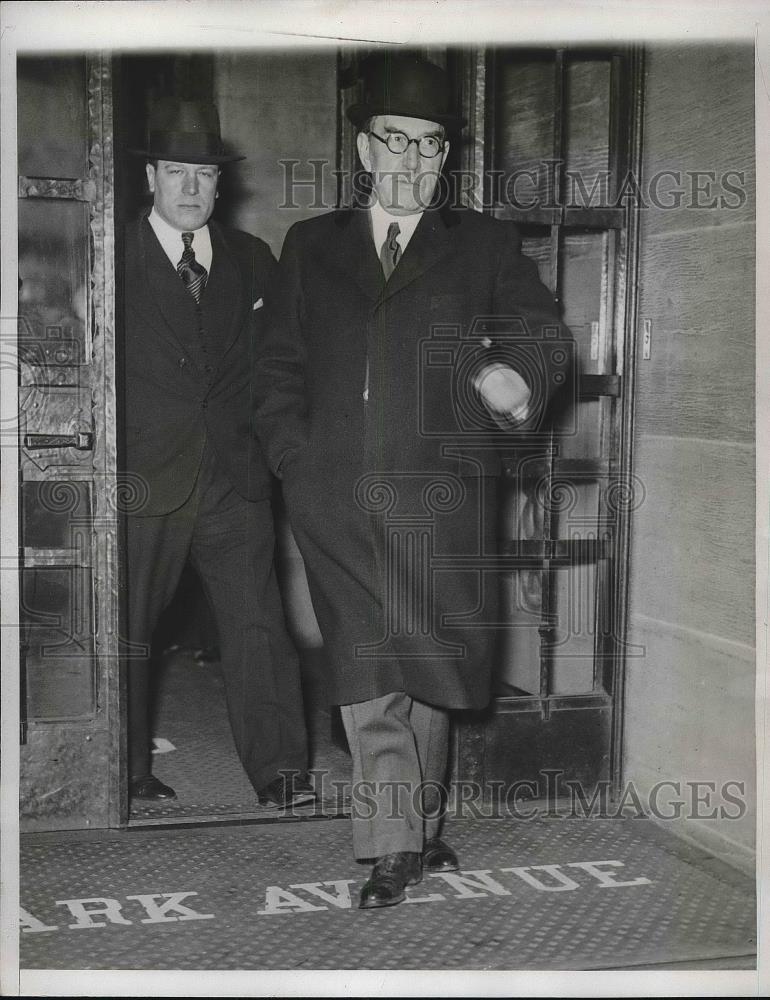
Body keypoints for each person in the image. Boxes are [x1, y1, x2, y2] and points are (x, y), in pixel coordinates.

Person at [254, 54, 572, 907]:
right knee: (369, 669)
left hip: (443, 498)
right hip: (338, 497)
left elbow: (542, 334)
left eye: (431, 146)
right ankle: (392, 844)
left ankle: (416, 828)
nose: (414, 161)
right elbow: (277, 366)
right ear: (365, 151)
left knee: (427, 668)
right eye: (396, 141)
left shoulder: (482, 244)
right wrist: (295, 458)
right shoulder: (311, 245)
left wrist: (518, 381)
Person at [122, 97, 314, 809]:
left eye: (203, 175)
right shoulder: (112, 257)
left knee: (258, 622)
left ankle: (281, 770)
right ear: (151, 180)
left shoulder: (252, 261)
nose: (191, 189)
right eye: (176, 173)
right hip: (143, 476)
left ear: (218, 183)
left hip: (234, 477)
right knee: (130, 628)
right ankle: (127, 768)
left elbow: (279, 365)